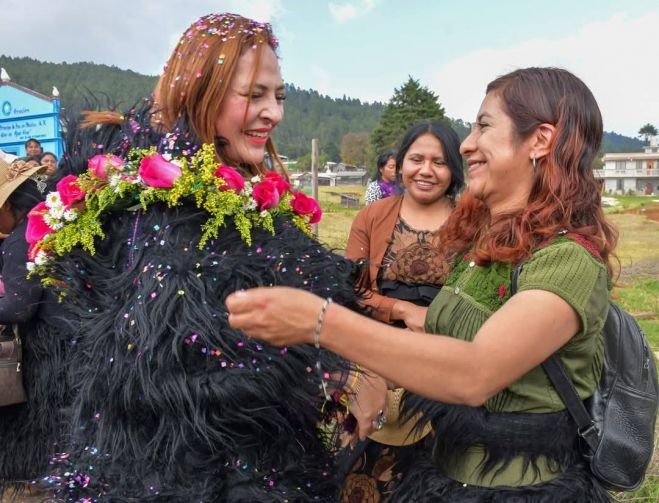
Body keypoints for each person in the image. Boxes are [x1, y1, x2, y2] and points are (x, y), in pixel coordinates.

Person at [29, 12, 379, 502]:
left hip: (261, 467)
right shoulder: (163, 210)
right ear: (200, 91)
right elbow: (160, 375)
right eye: (253, 95)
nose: (273, 113)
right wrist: (320, 360)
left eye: (278, 96)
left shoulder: (238, 195)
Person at [227, 67, 618, 501]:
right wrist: (362, 374)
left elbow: (476, 370)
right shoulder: (486, 245)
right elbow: (446, 330)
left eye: (484, 125)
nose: (467, 143)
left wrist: (320, 322)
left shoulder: (569, 260)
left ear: (540, 141)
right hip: (443, 477)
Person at [341, 120, 464, 500]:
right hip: (381, 367)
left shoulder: (473, 224)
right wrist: (402, 310)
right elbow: (350, 291)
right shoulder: (371, 217)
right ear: (399, 164)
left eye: (439, 162)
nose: (426, 170)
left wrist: (438, 323)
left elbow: (483, 297)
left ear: (454, 170)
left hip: (447, 369)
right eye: (416, 159)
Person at [0, 158, 70, 500]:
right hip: (73, 352)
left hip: (47, 365)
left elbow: (18, 306)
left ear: (9, 203)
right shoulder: (49, 222)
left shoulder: (19, 240)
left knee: (34, 463)